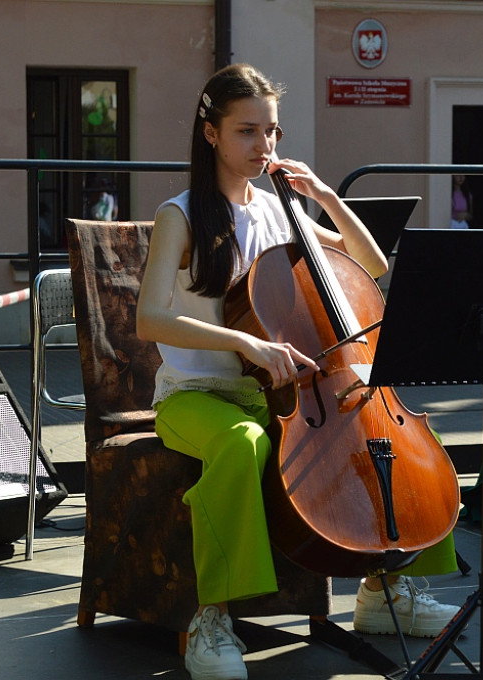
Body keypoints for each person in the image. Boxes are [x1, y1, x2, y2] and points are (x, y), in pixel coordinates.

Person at [136, 64, 460, 680]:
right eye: (247, 132)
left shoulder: (279, 210)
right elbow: (150, 319)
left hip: (281, 392)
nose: (265, 148)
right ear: (210, 134)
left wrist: (326, 199)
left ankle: (390, 589)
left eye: (273, 132)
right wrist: (245, 343)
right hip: (197, 394)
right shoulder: (180, 214)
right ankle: (213, 619)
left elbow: (371, 264)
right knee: (241, 443)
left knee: (399, 430)